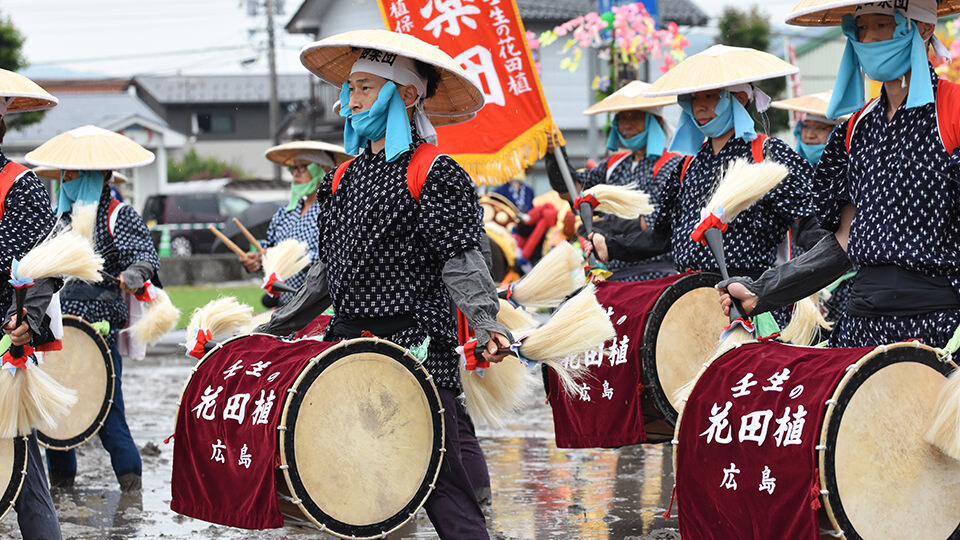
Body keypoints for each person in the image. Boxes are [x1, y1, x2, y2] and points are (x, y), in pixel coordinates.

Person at [258, 30, 512, 539]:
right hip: (346, 348)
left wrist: (485, 322)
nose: (349, 101)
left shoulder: (435, 173)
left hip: (415, 349)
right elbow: (327, 274)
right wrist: (275, 328)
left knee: (440, 485)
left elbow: (461, 259)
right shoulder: (342, 179)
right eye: (349, 89)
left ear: (408, 94)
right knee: (348, 483)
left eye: (365, 89)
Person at [719, 0, 960, 349]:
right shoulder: (856, 129)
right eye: (861, 29)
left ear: (923, 29)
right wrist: (763, 292)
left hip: (941, 323)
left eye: (883, 25)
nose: (870, 39)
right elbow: (846, 239)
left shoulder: (953, 112)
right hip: (861, 323)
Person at [588, 46, 813, 317]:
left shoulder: (768, 156)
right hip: (690, 302)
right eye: (694, 98)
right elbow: (661, 238)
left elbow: (811, 224)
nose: (700, 106)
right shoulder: (687, 167)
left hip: (749, 301)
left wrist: (797, 283)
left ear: (740, 98)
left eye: (711, 96)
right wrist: (610, 246)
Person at [24, 125, 161, 492]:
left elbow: (146, 258)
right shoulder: (58, 220)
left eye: (71, 175)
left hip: (100, 327)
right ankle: (61, 486)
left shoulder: (121, 215)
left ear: (94, 177)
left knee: (108, 407)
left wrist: (130, 276)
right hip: (56, 326)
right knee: (55, 410)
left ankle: (131, 485)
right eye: (64, 175)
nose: (65, 181)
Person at [0, 68, 63, 540]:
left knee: (22, 476)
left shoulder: (18, 184)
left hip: (4, 348)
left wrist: (28, 318)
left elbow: (50, 259)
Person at [545, 81, 684, 281]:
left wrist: (602, 226)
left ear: (657, 122)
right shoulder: (614, 164)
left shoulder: (672, 165)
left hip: (657, 273)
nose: (626, 124)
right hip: (613, 272)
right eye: (622, 118)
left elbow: (651, 225)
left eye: (635, 117)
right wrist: (555, 153)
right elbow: (574, 193)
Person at [238, 141, 351, 306]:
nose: (295, 174)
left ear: (324, 169)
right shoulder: (283, 214)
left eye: (302, 167)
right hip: (285, 306)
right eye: (292, 169)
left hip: (321, 307)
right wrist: (256, 260)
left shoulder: (336, 211)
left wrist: (285, 255)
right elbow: (267, 249)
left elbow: (336, 259)